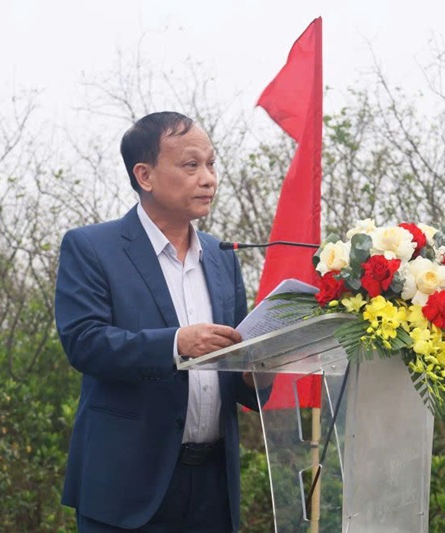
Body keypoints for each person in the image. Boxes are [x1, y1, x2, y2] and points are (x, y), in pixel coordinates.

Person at [55, 111, 263, 532]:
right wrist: (176, 344)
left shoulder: (222, 255)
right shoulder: (91, 247)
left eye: (211, 164)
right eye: (191, 165)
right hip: (126, 488)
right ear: (145, 175)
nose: (208, 179)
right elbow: (85, 343)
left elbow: (236, 355)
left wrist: (257, 370)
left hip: (213, 487)